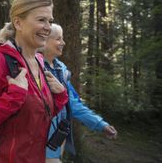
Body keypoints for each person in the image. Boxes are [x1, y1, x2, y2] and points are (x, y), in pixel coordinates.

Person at [0, 0, 69, 163]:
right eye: (41, 20)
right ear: (18, 23)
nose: (48, 27)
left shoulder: (39, 60)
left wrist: (59, 96)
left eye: (49, 21)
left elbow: (36, 116)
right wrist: (13, 96)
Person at [43, 23, 118, 163]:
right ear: (45, 40)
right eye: (58, 39)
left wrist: (100, 124)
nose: (63, 43)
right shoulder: (33, 67)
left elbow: (73, 103)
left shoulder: (61, 69)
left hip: (58, 138)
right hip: (39, 140)